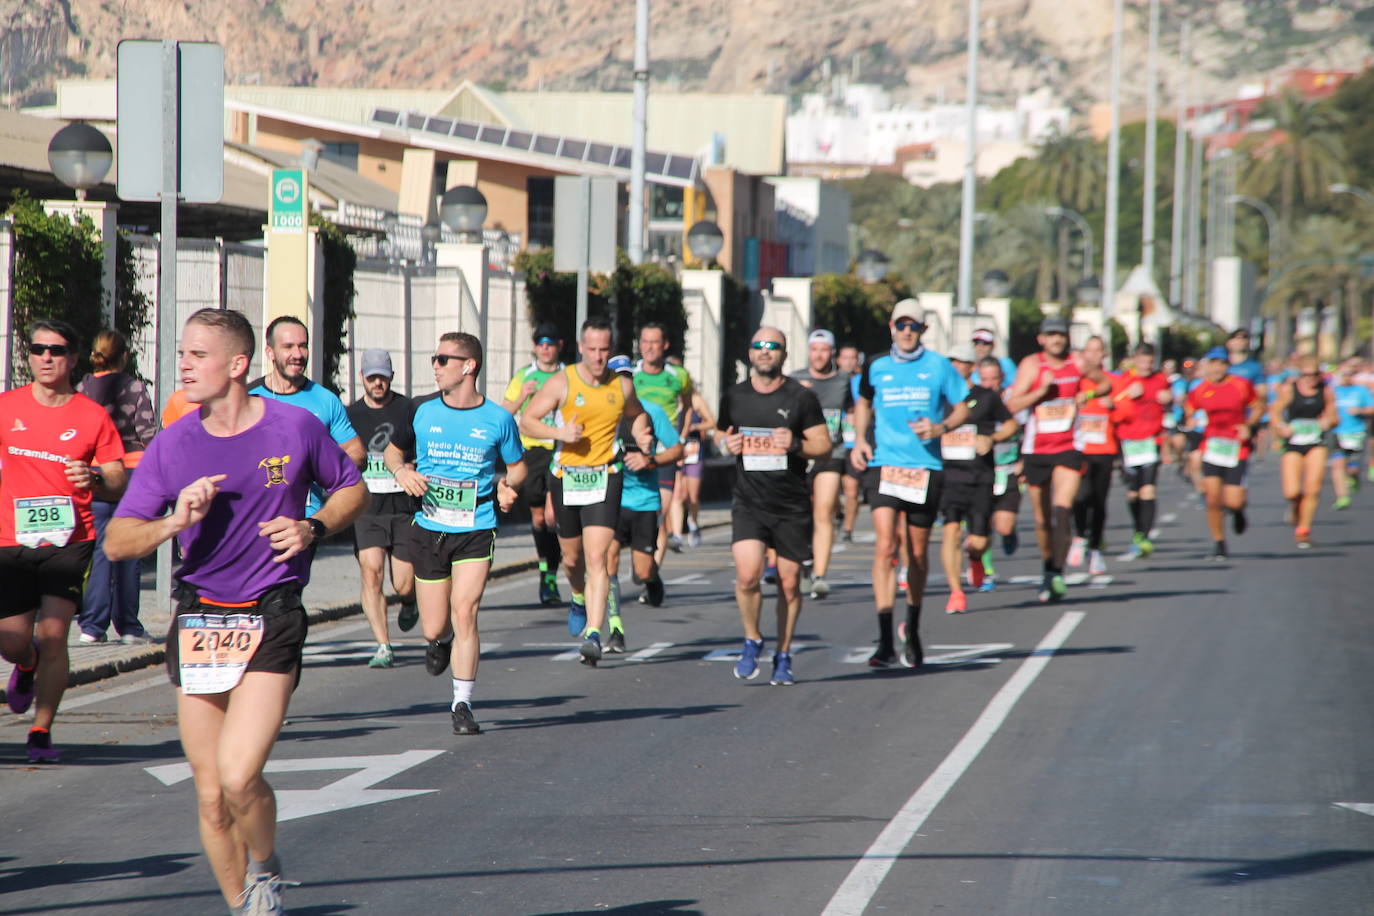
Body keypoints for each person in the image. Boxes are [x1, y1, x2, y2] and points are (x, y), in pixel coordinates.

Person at [105, 308, 366, 914]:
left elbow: (353, 488)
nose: (184, 364)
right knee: (210, 796)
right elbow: (119, 541)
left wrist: (312, 526)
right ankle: (244, 906)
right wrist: (174, 521)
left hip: (271, 612)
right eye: (183, 353)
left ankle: (265, 866)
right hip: (199, 619)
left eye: (197, 355)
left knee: (240, 774)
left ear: (238, 364)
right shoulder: (174, 444)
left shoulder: (295, 428)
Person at [385, 332, 525, 734]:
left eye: (443, 359)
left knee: (466, 610)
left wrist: (507, 486)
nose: (435, 365)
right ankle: (440, 640)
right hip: (429, 527)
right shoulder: (421, 411)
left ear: (469, 366)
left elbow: (517, 466)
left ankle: (462, 703)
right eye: (435, 357)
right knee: (434, 626)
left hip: (476, 526)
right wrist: (401, 471)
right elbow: (394, 452)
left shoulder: (498, 419)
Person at [1, 320, 127, 764]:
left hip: (71, 538)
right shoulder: (6, 406)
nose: (46, 357)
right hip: (10, 539)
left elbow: (117, 478)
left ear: (74, 358)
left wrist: (93, 476)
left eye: (56, 350)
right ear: (29, 356)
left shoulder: (91, 414)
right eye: (38, 349)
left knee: (55, 635)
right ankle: (26, 662)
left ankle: (40, 730)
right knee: (13, 641)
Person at [518, 317, 650, 666]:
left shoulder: (621, 387)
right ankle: (577, 595)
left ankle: (593, 632)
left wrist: (643, 435)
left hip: (605, 476)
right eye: (591, 349)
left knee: (598, 558)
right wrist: (561, 436)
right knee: (573, 560)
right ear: (580, 348)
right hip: (566, 477)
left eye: (604, 349)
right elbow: (528, 420)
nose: (598, 356)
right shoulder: (564, 381)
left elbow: (637, 415)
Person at [851, 299, 971, 667]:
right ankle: (885, 638)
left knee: (916, 555)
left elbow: (964, 404)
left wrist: (941, 427)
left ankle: (913, 628)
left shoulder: (938, 366)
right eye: (901, 325)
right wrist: (859, 439)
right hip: (885, 464)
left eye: (913, 326)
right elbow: (862, 403)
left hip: (924, 467)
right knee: (886, 546)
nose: (906, 331)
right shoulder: (876, 365)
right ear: (891, 327)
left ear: (923, 330)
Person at [717, 327, 829, 685]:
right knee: (748, 575)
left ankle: (783, 653)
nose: (765, 352)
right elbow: (722, 434)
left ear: (783, 353)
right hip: (749, 500)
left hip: (790, 504)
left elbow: (823, 444)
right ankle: (752, 638)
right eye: (759, 346)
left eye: (773, 347)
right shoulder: (734, 395)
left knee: (790, 584)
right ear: (750, 353)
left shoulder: (800, 397)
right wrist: (726, 445)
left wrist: (795, 443)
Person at [1005, 316, 1110, 602]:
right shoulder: (1031, 365)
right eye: (1051, 335)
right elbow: (1013, 404)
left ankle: (1057, 571)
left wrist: (1085, 394)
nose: (1057, 340)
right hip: (1036, 449)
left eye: (1061, 335)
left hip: (1068, 446)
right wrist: (1041, 391)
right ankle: (1048, 569)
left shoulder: (1078, 362)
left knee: (1062, 509)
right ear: (1041, 339)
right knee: (1042, 521)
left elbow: (1105, 385)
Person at [76, 329, 158, 644]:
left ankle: (91, 627)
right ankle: (129, 627)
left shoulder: (82, 388)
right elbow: (148, 435)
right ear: (124, 356)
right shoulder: (135, 387)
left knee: (98, 551)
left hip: (95, 475)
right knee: (129, 549)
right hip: (132, 476)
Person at [346, 348, 419, 668]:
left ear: (391, 377)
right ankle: (383, 645)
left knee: (402, 582)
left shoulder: (407, 410)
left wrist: (412, 466)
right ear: (362, 377)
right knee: (371, 572)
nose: (378, 383)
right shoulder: (350, 415)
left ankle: (410, 600)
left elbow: (424, 448)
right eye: (372, 377)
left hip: (404, 507)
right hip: (367, 509)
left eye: (383, 377)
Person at [249, 316, 365, 516]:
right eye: (288, 347)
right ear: (270, 353)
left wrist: (319, 468)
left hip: (303, 524)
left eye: (303, 346)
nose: (298, 354)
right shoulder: (249, 397)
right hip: (256, 517)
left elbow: (357, 454)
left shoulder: (325, 400)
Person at [606, 355, 684, 648]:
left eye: (626, 377)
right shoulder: (599, 413)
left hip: (643, 502)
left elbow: (678, 450)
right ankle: (615, 630)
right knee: (607, 562)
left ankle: (653, 580)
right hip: (610, 499)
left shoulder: (652, 412)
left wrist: (650, 460)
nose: (622, 383)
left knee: (642, 571)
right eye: (616, 377)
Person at [938, 345, 1017, 613]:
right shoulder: (938, 396)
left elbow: (1011, 424)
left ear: (972, 366)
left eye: (961, 362)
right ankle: (956, 592)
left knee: (980, 540)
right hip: (948, 476)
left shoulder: (986, 397)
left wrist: (992, 438)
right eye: (951, 361)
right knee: (950, 532)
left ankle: (974, 557)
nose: (955, 366)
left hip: (981, 476)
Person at [500, 322, 566, 606]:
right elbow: (502, 415)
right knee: (540, 518)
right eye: (541, 342)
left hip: (562, 450)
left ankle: (556, 570)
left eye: (551, 342)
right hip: (533, 452)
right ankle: (547, 574)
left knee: (553, 517)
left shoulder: (568, 375)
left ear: (559, 345)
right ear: (535, 346)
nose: (546, 347)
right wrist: (524, 395)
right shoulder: (524, 376)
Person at [788, 329, 852, 599]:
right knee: (800, 512)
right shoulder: (794, 379)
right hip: (800, 453)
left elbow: (853, 413)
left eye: (824, 349)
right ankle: (804, 561)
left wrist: (857, 443)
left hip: (831, 453)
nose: (819, 354)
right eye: (814, 349)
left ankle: (820, 576)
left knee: (824, 510)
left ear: (832, 354)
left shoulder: (844, 381)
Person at [1185, 347, 1264, 560]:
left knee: (1234, 501)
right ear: (1207, 366)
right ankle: (1219, 542)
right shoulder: (1200, 389)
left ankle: (1238, 512)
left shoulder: (1240, 385)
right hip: (1212, 446)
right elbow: (1190, 409)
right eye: (1213, 363)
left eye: (1221, 363)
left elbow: (1257, 406)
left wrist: (1249, 425)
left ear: (1227, 365)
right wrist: (1191, 420)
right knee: (1212, 498)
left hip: (1236, 447)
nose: (1217, 368)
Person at [1067, 336, 1132, 576]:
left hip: (1104, 448)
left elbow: (1127, 412)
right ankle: (1079, 537)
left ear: (1104, 354)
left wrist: (1111, 406)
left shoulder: (1115, 381)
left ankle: (1095, 550)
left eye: (1098, 351)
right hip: (1078, 447)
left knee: (1098, 500)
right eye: (1089, 351)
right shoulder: (1076, 380)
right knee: (1079, 496)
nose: (1093, 356)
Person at [632, 323, 695, 560]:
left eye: (654, 342)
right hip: (633, 449)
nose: (648, 347)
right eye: (644, 341)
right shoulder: (630, 374)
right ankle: (642, 564)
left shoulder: (678, 375)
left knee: (659, 513)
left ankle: (651, 574)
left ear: (665, 345)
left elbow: (688, 406)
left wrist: (681, 437)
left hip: (663, 451)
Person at [1270, 355, 1338, 549]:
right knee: (1292, 491)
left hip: (1316, 442)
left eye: (1315, 375)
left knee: (1313, 488)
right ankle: (1294, 508)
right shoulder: (1288, 389)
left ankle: (1303, 530)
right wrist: (1281, 427)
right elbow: (1274, 412)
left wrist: (1328, 422)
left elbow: (1334, 417)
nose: (1311, 379)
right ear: (1299, 374)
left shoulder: (1326, 392)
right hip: (1293, 442)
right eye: (1306, 375)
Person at [1114, 342, 1173, 560]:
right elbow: (1113, 405)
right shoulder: (1124, 380)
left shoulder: (1160, 380)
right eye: (1142, 361)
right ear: (1135, 359)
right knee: (1133, 493)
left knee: (1148, 490)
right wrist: (1127, 396)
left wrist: (1169, 400)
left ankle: (1144, 536)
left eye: (1150, 361)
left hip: (1151, 440)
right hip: (1128, 442)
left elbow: (1170, 405)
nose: (1146, 365)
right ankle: (1137, 529)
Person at [1330, 361, 1374, 510]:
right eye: (1343, 374)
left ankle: (1354, 477)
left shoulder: (1361, 390)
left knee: (1352, 469)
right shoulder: (1332, 391)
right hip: (1336, 432)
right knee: (1337, 465)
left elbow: (1371, 408)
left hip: (1356, 432)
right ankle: (1342, 497)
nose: (1346, 377)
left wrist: (1360, 411)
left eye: (1350, 374)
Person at [836, 344, 865, 544]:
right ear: (838, 359)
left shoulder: (863, 383)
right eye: (845, 358)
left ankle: (847, 529)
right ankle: (838, 513)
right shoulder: (831, 381)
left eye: (853, 358)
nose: (849, 362)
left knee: (852, 490)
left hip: (854, 443)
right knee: (827, 490)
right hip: (833, 444)